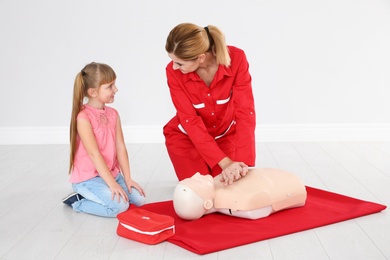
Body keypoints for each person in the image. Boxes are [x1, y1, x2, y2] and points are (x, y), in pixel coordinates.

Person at [164, 23, 256, 185]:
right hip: (186, 138)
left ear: (200, 58)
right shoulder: (173, 73)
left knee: (230, 188)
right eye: (173, 61)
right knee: (201, 192)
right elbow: (190, 121)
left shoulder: (237, 58)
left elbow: (245, 112)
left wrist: (241, 163)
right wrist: (224, 162)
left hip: (224, 137)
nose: (174, 67)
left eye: (180, 63)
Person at [62, 62, 146, 217]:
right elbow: (94, 154)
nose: (116, 89)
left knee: (139, 199)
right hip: (89, 178)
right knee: (119, 207)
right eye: (110, 86)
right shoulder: (83, 117)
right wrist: (112, 185)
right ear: (93, 92)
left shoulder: (113, 114)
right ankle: (77, 200)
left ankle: (108, 189)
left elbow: (120, 147)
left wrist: (127, 178)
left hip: (111, 173)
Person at [173, 168, 307, 220]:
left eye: (192, 178)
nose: (197, 173)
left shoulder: (215, 184)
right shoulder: (236, 201)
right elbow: (256, 209)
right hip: (289, 183)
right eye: (198, 182)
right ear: (207, 204)